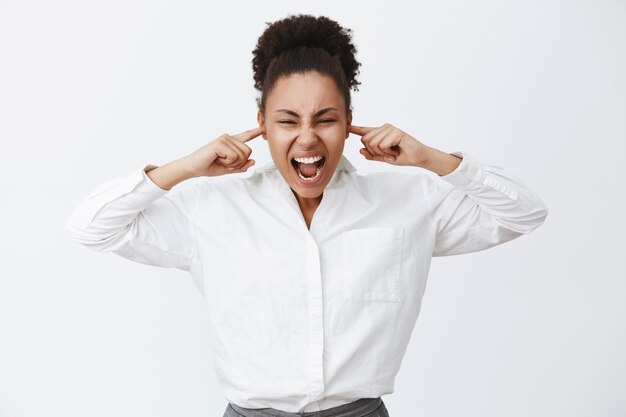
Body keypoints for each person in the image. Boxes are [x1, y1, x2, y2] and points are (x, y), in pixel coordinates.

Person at [66, 13, 549, 417]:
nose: (308, 139)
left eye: (325, 119)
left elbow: (525, 213)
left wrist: (433, 160)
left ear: (348, 122)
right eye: (287, 121)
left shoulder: (408, 201)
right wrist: (184, 168)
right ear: (261, 125)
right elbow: (92, 227)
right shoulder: (213, 209)